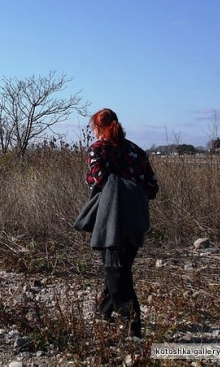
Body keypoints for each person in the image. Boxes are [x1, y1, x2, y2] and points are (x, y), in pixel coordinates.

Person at [83, 108, 158, 338]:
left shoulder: (98, 149)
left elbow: (98, 181)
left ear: (98, 128)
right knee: (120, 267)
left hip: (112, 218)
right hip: (137, 218)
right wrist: (135, 192)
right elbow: (153, 188)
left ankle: (132, 327)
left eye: (92, 128)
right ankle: (104, 312)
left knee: (117, 272)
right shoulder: (137, 151)